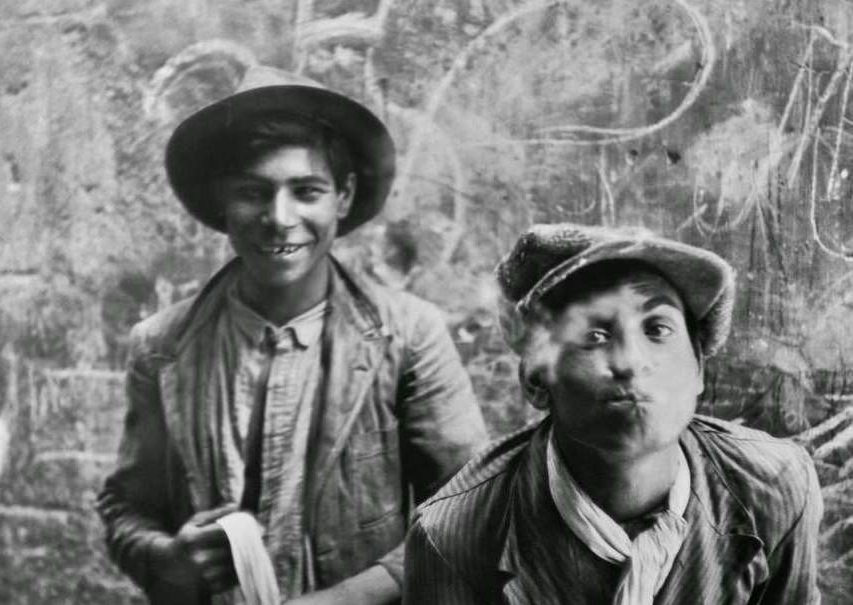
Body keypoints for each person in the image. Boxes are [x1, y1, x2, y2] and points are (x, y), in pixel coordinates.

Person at [97, 68, 488, 605]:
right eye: (253, 193)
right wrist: (169, 560)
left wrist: (350, 597)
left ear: (343, 197)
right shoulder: (161, 346)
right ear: (221, 201)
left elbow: (475, 511)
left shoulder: (409, 335)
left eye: (306, 191)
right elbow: (127, 507)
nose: (280, 219)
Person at [403, 223, 822, 604]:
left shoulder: (775, 486)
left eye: (658, 329)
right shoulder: (452, 535)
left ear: (699, 368)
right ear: (536, 379)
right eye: (593, 334)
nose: (630, 361)